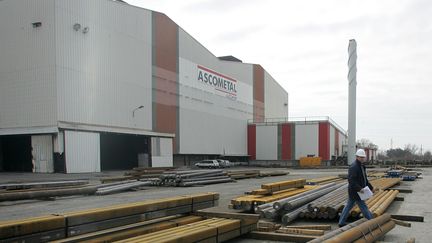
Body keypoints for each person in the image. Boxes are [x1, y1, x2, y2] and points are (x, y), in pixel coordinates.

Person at [338, 148, 374, 227]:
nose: (362, 158)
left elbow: (365, 179)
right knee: (363, 206)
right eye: (360, 157)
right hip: (355, 191)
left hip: (359, 190)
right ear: (357, 157)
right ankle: (372, 221)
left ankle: (341, 222)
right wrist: (359, 189)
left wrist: (371, 187)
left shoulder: (361, 166)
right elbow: (351, 180)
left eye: (363, 157)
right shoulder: (354, 167)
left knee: (349, 206)